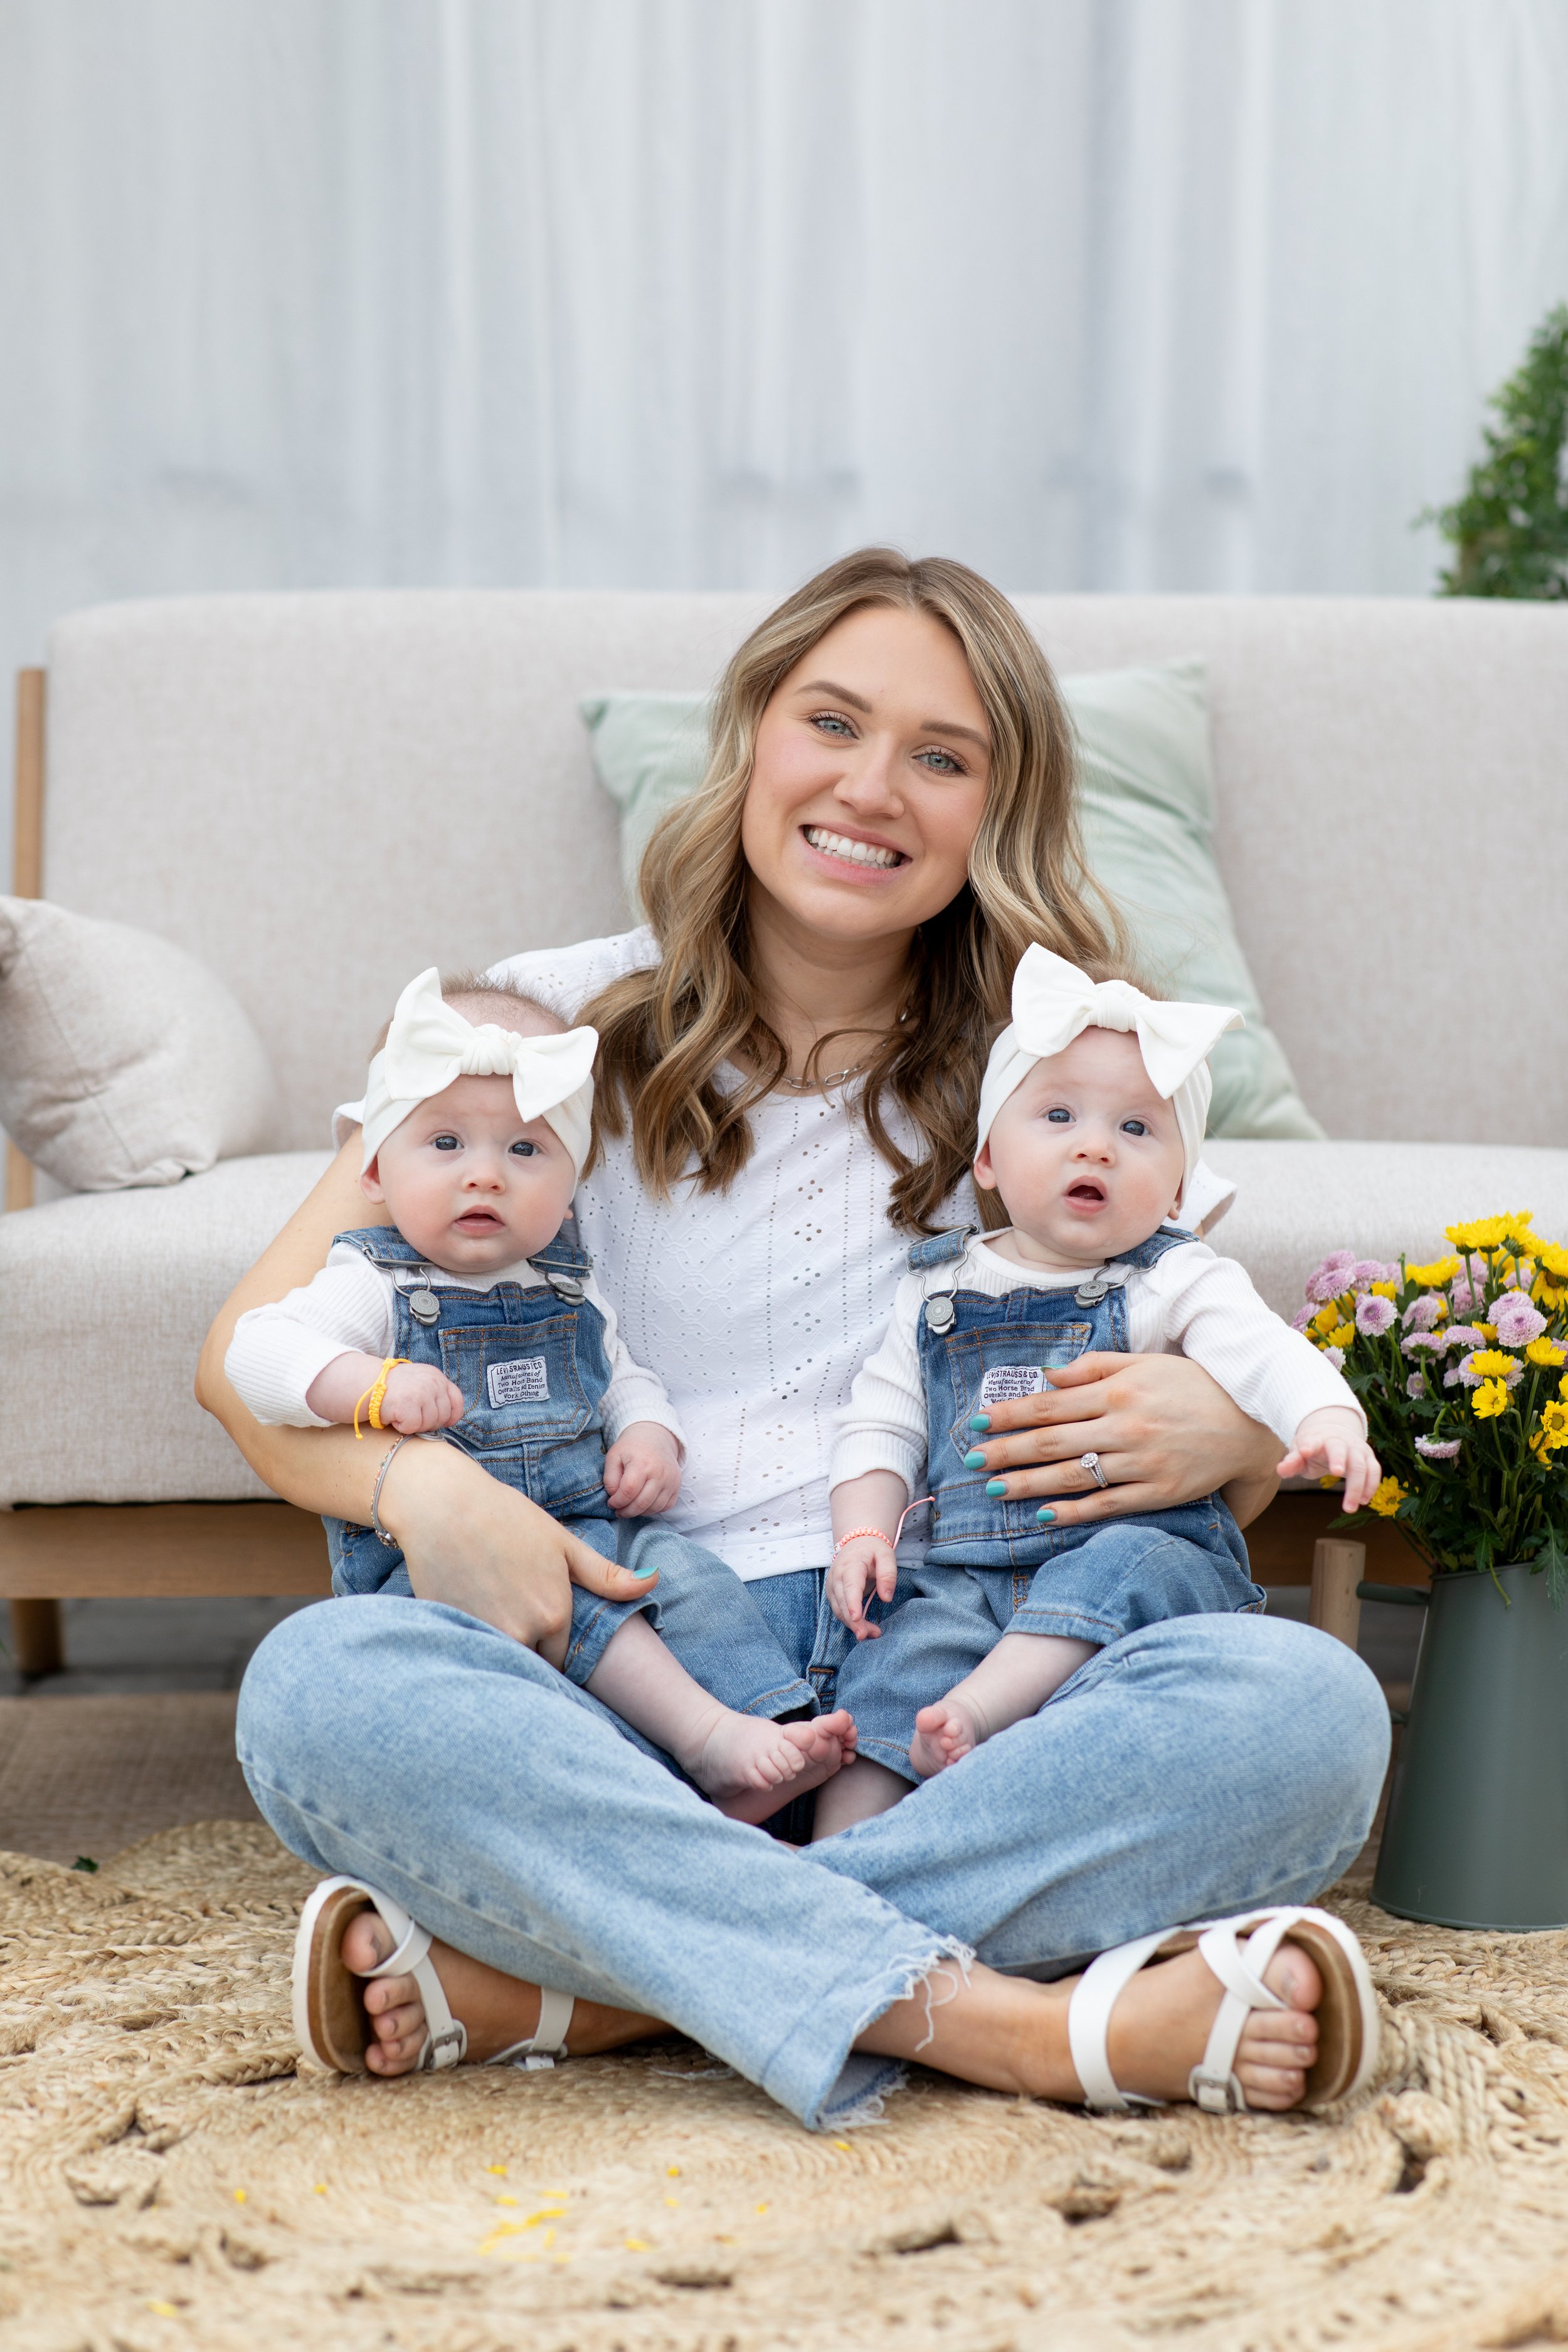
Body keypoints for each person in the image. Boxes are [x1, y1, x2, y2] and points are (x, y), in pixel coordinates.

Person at [201, 548, 1389, 2129]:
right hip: (628, 1664)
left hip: (954, 1668)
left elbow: (1183, 1388)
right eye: (831, 720)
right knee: (323, 1688)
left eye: (941, 756)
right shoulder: (535, 1036)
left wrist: (1232, 1435)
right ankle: (1018, 2034)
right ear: (752, 733)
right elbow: (246, 1356)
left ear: (996, 809)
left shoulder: (1061, 1068)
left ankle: (604, 1991)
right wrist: (419, 1496)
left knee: (1303, 1716)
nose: (872, 788)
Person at [223, 964, 856, 1823]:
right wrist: (368, 1388)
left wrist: (648, 1436)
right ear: (372, 1168)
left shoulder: (567, 1285)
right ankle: (709, 1750)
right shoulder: (372, 1283)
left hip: (595, 1530)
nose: (484, 1174)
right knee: (408, 1676)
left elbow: (620, 1371)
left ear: (569, 1191)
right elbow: (255, 1353)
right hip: (440, 1576)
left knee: (689, 1576)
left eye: (525, 1150)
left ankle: (770, 1728)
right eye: (445, 1144)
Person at [817, 944, 1380, 1828]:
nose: (1095, 1145)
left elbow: (1264, 1350)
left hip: (1127, 1556)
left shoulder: (1173, 1276)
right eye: (1058, 1113)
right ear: (988, 1159)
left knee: (1128, 1564)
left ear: (1178, 1189)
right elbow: (881, 1423)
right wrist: (861, 1528)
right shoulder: (935, 1288)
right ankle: (836, 1864)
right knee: (885, 1669)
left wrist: (1327, 1413)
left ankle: (985, 1709)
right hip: (965, 1575)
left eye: (1137, 1130)